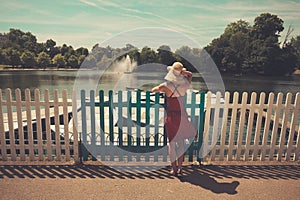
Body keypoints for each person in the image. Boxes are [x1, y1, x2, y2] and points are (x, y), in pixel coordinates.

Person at [151, 62, 197, 176]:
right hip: (182, 116)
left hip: (171, 116)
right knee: (181, 143)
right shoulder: (184, 85)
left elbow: (153, 90)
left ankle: (174, 169)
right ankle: (181, 168)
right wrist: (183, 73)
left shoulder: (165, 86)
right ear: (180, 74)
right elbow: (190, 75)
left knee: (171, 144)